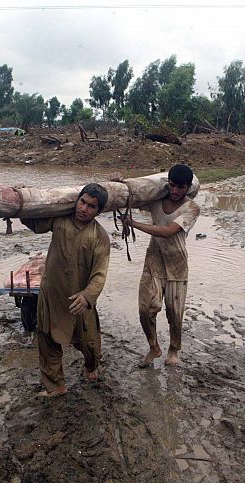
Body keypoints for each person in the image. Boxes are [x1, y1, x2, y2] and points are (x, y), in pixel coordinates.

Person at [21, 184, 111, 398]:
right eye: (82, 202)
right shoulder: (60, 220)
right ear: (77, 200)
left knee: (88, 343)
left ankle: (91, 366)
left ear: (98, 211)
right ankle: (55, 386)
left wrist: (88, 295)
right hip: (52, 294)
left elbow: (100, 274)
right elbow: (37, 224)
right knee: (46, 340)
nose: (84, 209)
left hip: (78, 299)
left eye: (91, 206)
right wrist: (21, 206)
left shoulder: (100, 237)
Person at [120, 164, 200, 368]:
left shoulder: (191, 208)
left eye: (180, 187)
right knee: (145, 309)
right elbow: (131, 199)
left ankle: (174, 349)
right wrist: (120, 184)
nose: (175, 191)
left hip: (177, 264)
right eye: (172, 186)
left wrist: (133, 224)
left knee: (174, 313)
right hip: (154, 260)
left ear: (188, 187)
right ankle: (153, 347)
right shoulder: (156, 201)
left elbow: (167, 231)